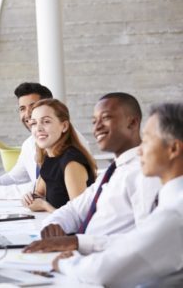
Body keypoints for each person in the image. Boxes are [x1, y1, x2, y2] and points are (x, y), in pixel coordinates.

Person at [51, 102, 183, 287]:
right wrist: (79, 242)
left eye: (146, 140)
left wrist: (65, 262)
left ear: (173, 149)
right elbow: (138, 241)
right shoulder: (172, 205)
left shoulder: (174, 213)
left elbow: (105, 272)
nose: (140, 150)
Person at [23, 92, 161, 255]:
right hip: (82, 256)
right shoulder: (112, 172)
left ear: (132, 122)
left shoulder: (144, 173)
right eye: (94, 121)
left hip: (107, 264)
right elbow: (74, 209)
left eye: (106, 118)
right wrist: (54, 224)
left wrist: (77, 242)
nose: (97, 127)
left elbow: (147, 239)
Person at [0, 82, 90, 200]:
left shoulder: (71, 147)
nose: (28, 114)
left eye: (33, 107)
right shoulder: (30, 143)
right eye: (22, 109)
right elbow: (15, 178)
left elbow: (50, 187)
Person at [21, 99, 96, 212]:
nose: (39, 128)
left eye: (46, 121)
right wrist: (30, 198)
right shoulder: (49, 155)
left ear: (64, 126)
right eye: (34, 123)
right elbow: (39, 193)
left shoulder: (72, 162)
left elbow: (80, 215)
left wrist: (45, 206)